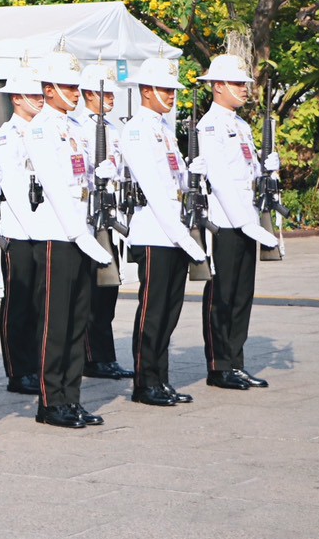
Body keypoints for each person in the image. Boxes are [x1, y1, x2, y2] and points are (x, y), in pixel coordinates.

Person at [23, 50, 115, 429]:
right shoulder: (40, 127)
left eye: (76, 87)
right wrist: (77, 233)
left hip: (81, 227)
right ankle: (50, 401)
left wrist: (103, 172)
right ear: (48, 90)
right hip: (57, 234)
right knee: (55, 321)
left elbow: (82, 178)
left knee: (77, 319)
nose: (75, 93)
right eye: (67, 87)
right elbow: (55, 185)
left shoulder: (76, 127)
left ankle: (70, 397)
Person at [117, 56, 208, 406]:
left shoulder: (164, 130)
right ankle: (145, 382)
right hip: (156, 232)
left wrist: (193, 174)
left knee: (170, 310)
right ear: (147, 91)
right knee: (153, 311)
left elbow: (174, 181)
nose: (172, 96)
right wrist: (181, 235)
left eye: (173, 90)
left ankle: (161, 378)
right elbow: (153, 188)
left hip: (174, 228)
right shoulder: (138, 129)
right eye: (166, 90)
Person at [195, 54, 280, 391]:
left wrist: (267, 166)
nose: (245, 90)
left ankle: (235, 361)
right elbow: (219, 178)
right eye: (237, 84)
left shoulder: (241, 126)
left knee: (243, 293)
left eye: (245, 84)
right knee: (223, 295)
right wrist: (244, 223)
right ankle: (219, 365)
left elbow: (247, 173)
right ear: (218, 87)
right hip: (226, 222)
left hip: (246, 218)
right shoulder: (210, 126)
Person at [74, 62, 135, 382]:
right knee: (94, 290)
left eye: (112, 92)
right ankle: (94, 357)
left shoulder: (114, 128)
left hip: (112, 213)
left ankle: (101, 354)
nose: (111, 97)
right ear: (87, 94)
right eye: (104, 92)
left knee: (109, 289)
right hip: (89, 216)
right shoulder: (78, 126)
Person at [0, 65, 46, 397]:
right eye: (34, 95)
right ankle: (18, 369)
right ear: (17, 98)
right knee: (19, 301)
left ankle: (37, 364)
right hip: (19, 229)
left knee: (40, 301)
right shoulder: (5, 136)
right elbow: (12, 187)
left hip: (44, 227)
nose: (40, 100)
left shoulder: (46, 130)